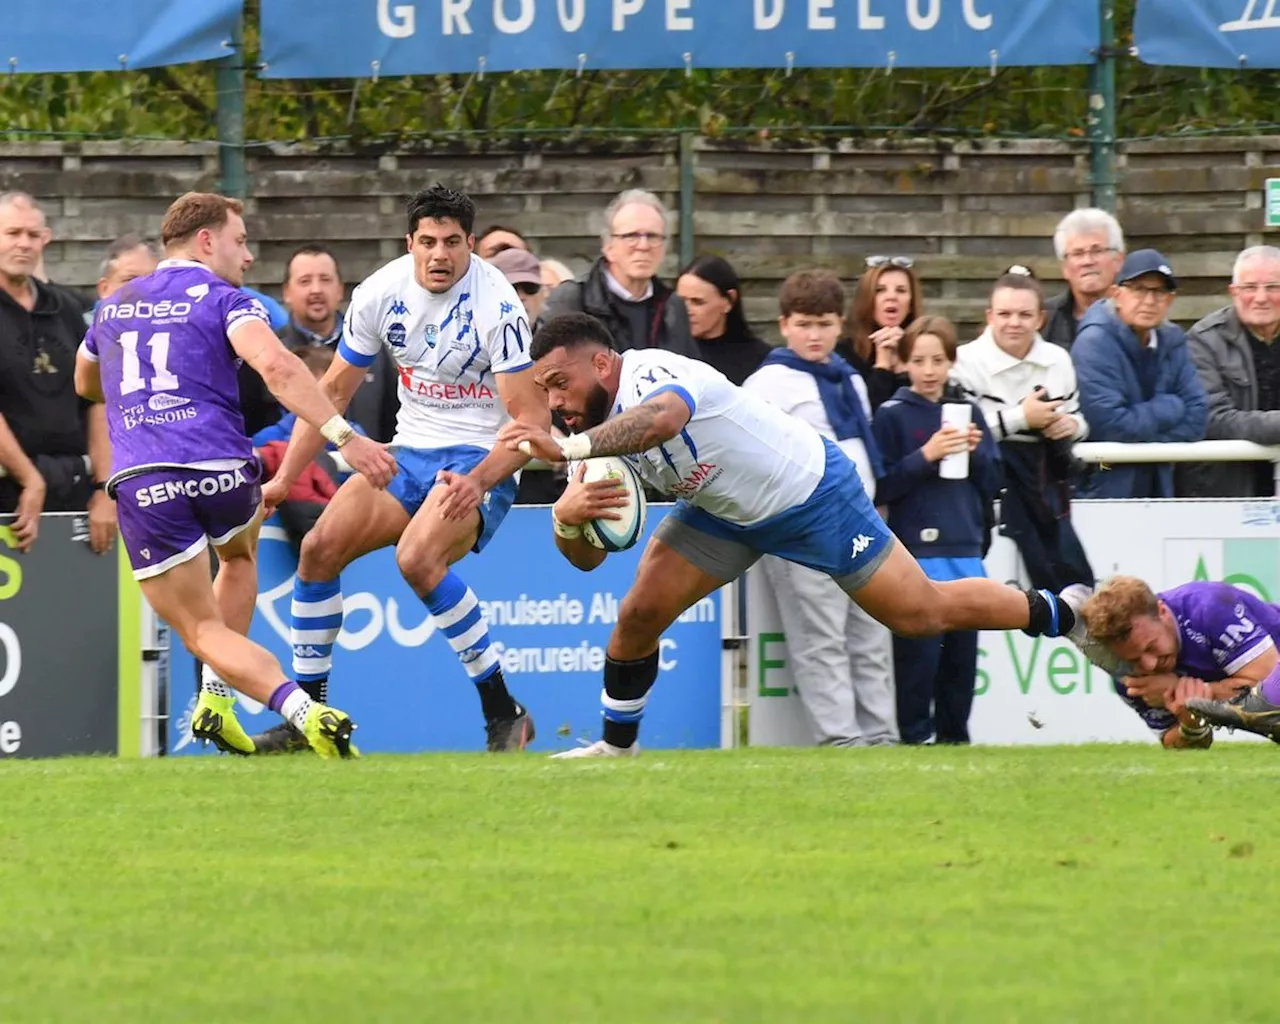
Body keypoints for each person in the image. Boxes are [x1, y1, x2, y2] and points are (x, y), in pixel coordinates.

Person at [498, 312, 1078, 759]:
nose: (553, 402)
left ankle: (1062, 612)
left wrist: (570, 449)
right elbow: (584, 563)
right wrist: (566, 516)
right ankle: (617, 749)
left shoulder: (650, 373)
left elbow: (664, 420)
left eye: (558, 383)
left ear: (601, 365)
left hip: (811, 494)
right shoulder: (588, 437)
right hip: (725, 511)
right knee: (638, 615)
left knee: (919, 614)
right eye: (544, 391)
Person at [73, 191, 397, 759]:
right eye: (240, 241)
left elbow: (84, 384)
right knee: (239, 559)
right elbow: (276, 365)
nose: (247, 258)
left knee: (202, 631)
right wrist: (345, 435)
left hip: (148, 479)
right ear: (206, 240)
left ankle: (304, 712)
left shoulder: (114, 305)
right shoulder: (228, 299)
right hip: (225, 470)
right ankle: (217, 702)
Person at [259, 184, 549, 755]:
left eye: (451, 243)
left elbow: (531, 422)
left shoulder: (498, 305)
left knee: (416, 558)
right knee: (318, 548)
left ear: (471, 244)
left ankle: (503, 710)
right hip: (409, 452)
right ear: (409, 242)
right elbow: (332, 393)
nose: (439, 255)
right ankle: (307, 719)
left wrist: (480, 480)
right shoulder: (380, 292)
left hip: (477, 459)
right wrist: (282, 480)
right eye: (427, 242)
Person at [742, 269, 897, 747]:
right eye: (805, 323)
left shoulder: (848, 376)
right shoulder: (768, 383)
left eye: (826, 324)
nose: (815, 335)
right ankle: (841, 741)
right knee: (821, 638)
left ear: (840, 324)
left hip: (863, 522)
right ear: (785, 324)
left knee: (871, 636)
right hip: (803, 529)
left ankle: (882, 737)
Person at [873, 316, 1001, 745]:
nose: (929, 370)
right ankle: (913, 737)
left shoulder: (970, 413)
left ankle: (956, 738)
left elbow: (992, 480)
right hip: (914, 555)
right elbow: (882, 485)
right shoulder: (891, 416)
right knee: (917, 658)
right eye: (919, 360)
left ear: (951, 363)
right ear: (904, 362)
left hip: (965, 549)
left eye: (938, 360)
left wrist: (978, 451)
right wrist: (927, 454)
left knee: (961, 660)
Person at [950, 267, 1094, 592]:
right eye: (1004, 313)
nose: (1014, 322)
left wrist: (1070, 426)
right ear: (989, 316)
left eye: (1024, 314)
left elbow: (1078, 419)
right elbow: (962, 432)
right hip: (984, 476)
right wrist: (1022, 418)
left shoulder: (1058, 359)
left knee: (1068, 572)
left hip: (1047, 476)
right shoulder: (964, 360)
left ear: (1040, 318)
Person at [0, 192, 115, 554]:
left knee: (74, 604)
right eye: (12, 233)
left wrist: (105, 489)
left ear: (45, 239)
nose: (24, 244)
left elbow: (96, 400)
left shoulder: (68, 308)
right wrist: (30, 480)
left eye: (33, 235)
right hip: (8, 493)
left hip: (76, 490)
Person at [1069, 576, 1280, 748]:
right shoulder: (1132, 678)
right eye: (1134, 659)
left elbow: (1271, 692)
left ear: (1161, 612)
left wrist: (1191, 693)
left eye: (1151, 646)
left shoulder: (1209, 609)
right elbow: (1175, 741)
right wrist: (1190, 723)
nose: (1149, 665)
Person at [1071, 250, 1208, 499]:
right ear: (1117, 294)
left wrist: (1149, 441)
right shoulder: (1093, 342)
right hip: (1103, 486)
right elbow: (1109, 426)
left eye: (1158, 292)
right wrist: (1171, 407)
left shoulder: (1173, 339)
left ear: (1169, 300)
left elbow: (1197, 416)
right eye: (1139, 289)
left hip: (1161, 487)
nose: (1149, 300)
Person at [542, 189, 697, 358]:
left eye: (653, 236)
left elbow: (691, 374)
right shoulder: (573, 301)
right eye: (631, 236)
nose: (643, 246)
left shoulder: (673, 306)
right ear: (608, 246)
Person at [1179, 245, 1280, 497]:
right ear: (1233, 292)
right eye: (1249, 288)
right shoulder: (1203, 340)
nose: (1260, 298)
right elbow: (1211, 418)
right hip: (1227, 491)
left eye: (1273, 287)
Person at [835, 256, 921, 412]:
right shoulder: (843, 353)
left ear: (911, 304)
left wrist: (903, 368)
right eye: (880, 290)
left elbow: (918, 414)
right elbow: (865, 416)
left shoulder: (925, 348)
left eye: (901, 290)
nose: (892, 296)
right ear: (867, 300)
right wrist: (883, 365)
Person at [677, 255, 771, 386]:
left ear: (729, 300)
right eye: (681, 301)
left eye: (697, 302)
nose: (686, 310)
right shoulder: (666, 352)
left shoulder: (761, 360)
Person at [1043, 209, 1126, 351]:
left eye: (1097, 251)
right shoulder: (1044, 318)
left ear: (1118, 260)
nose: (1087, 261)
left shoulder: (1137, 315)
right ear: (1064, 267)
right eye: (1078, 253)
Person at [491, 246, 549, 326]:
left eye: (529, 287)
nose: (521, 297)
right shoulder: (472, 336)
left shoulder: (561, 337)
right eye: (511, 289)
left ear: (542, 294)